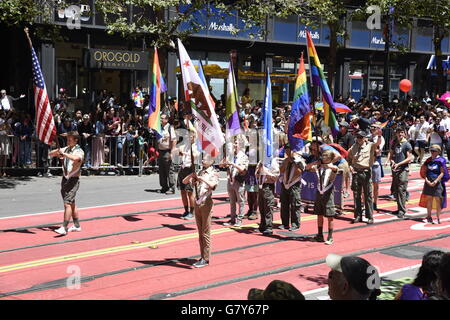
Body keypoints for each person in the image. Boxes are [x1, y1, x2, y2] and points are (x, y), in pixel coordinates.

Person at [182, 153, 219, 268]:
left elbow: (213, 186)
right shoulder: (200, 172)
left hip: (206, 202)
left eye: (205, 158)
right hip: (197, 203)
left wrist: (202, 179)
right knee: (200, 232)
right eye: (202, 158)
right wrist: (192, 176)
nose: (202, 160)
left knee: (205, 232)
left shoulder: (213, 173)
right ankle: (202, 256)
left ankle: (206, 258)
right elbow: (184, 182)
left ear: (212, 161)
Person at [49, 131, 85, 235]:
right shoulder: (67, 149)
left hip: (73, 180)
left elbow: (76, 158)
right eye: (67, 139)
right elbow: (51, 153)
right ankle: (77, 225)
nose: (68, 141)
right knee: (72, 203)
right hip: (65, 179)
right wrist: (57, 152)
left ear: (76, 140)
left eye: (70, 139)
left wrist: (64, 154)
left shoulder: (79, 151)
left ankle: (64, 227)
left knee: (67, 203)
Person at [306, 149, 341, 245]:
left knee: (330, 216)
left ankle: (330, 236)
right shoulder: (318, 167)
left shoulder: (331, 167)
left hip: (328, 193)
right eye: (323, 155)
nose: (323, 157)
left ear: (330, 158)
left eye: (325, 156)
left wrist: (328, 165)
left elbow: (335, 169)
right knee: (319, 214)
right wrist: (315, 162)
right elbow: (307, 167)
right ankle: (320, 234)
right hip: (319, 193)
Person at [347, 130, 382, 224]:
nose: (359, 139)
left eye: (361, 137)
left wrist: (379, 136)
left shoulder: (370, 145)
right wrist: (350, 166)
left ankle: (370, 216)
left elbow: (378, 143)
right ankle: (358, 215)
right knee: (356, 195)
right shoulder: (353, 147)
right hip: (356, 173)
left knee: (368, 195)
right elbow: (349, 158)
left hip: (366, 173)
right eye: (357, 137)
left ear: (365, 138)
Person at [385, 127, 414, 219]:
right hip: (395, 169)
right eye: (398, 132)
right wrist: (391, 161)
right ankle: (399, 208)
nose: (400, 134)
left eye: (401, 132)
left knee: (402, 189)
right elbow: (392, 153)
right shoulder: (395, 143)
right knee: (396, 190)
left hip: (403, 169)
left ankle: (402, 210)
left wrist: (399, 164)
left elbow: (409, 158)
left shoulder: (407, 144)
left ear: (404, 133)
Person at [221, 137, 249, 227]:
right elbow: (222, 166)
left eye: (236, 143)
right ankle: (232, 219)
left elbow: (243, 170)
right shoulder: (231, 156)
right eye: (234, 143)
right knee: (232, 201)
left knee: (240, 201)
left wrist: (233, 164)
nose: (234, 145)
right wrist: (224, 163)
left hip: (239, 181)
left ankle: (239, 219)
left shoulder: (244, 157)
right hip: (231, 180)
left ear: (240, 145)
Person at [419, 144, 449, 224]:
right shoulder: (428, 160)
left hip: (437, 183)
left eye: (434, 151)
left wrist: (435, 181)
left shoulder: (441, 160)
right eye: (431, 151)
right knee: (429, 200)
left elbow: (442, 173)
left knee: (437, 200)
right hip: (428, 181)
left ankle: (438, 218)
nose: (432, 152)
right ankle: (429, 217)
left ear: (438, 152)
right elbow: (424, 170)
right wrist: (426, 180)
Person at [279, 144, 305, 231]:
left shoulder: (299, 160)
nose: (287, 152)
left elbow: (300, 171)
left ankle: (295, 224)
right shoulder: (286, 160)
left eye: (288, 150)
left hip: (294, 184)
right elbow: (281, 170)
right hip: (285, 183)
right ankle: (285, 223)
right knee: (284, 204)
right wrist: (286, 162)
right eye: (286, 150)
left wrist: (294, 162)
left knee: (295, 205)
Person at [177, 130, 199, 220]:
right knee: (182, 191)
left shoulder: (196, 146)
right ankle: (186, 210)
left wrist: (185, 153)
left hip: (190, 169)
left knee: (190, 192)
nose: (188, 138)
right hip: (182, 168)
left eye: (190, 137)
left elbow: (195, 155)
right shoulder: (185, 146)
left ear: (194, 138)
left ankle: (192, 212)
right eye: (187, 137)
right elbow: (178, 151)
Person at [255, 157, 280, 235]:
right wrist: (259, 170)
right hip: (261, 186)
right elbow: (256, 174)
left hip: (268, 186)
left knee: (268, 207)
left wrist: (266, 172)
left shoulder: (273, 162)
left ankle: (269, 227)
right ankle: (262, 225)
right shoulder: (261, 161)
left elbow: (276, 176)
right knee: (261, 207)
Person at [157, 113, 177, 194]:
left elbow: (174, 140)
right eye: (160, 118)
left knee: (169, 170)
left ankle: (172, 187)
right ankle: (164, 187)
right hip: (161, 151)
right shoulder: (159, 128)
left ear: (167, 120)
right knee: (161, 170)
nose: (161, 120)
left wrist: (172, 152)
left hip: (167, 151)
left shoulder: (169, 127)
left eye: (162, 118)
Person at [369, 123, 385, 211]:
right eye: (371, 128)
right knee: (367, 184)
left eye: (374, 128)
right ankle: (367, 202)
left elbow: (378, 150)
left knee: (375, 184)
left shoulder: (381, 138)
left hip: (375, 161)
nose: (372, 130)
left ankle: (375, 202)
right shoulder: (368, 137)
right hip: (367, 161)